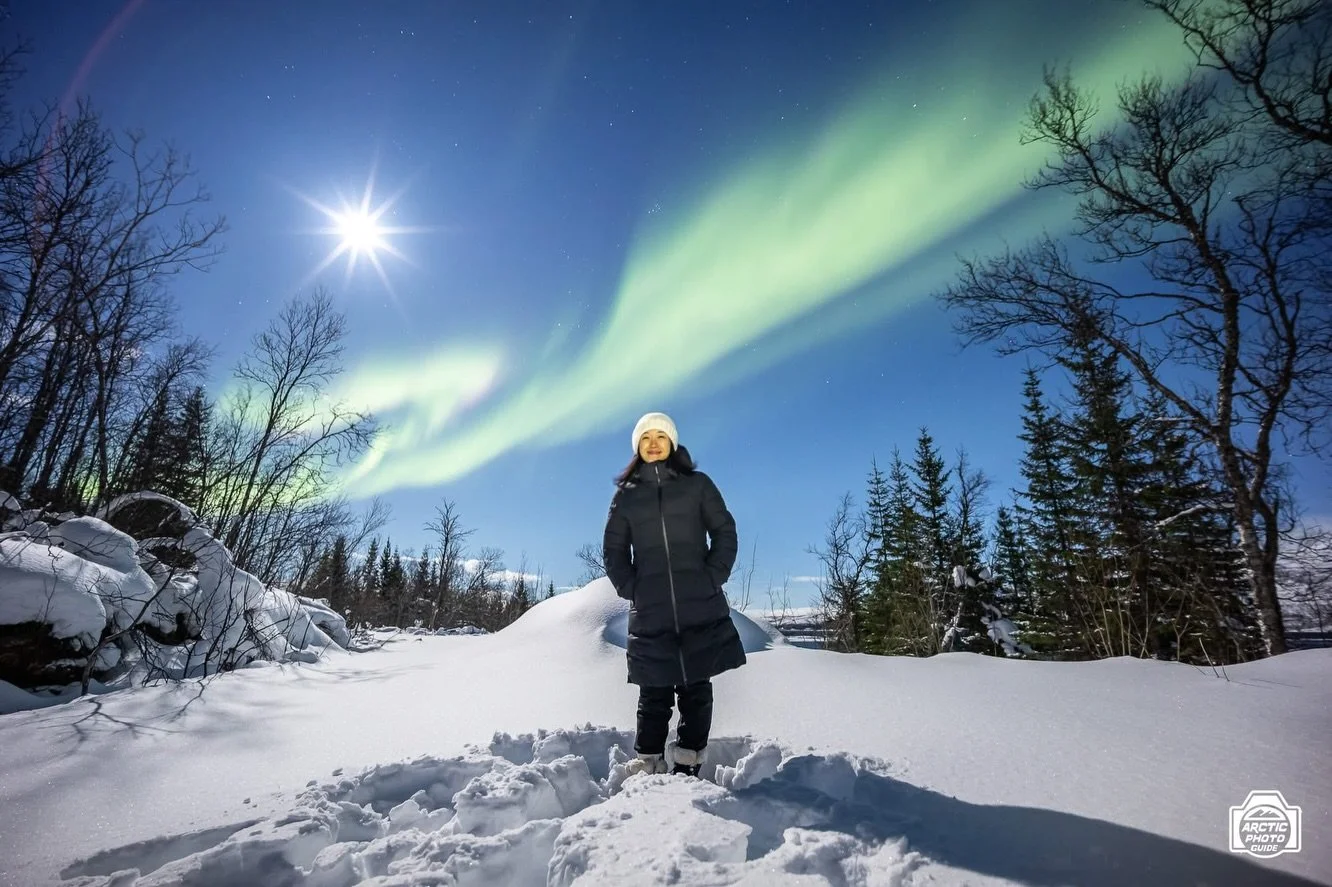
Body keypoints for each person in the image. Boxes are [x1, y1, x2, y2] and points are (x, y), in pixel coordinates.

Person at [602, 411, 747, 778]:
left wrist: (712, 576)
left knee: (696, 687)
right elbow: (614, 551)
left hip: (699, 604)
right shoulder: (626, 497)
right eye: (646, 437)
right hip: (651, 610)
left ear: (672, 444)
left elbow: (724, 531)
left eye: (661, 437)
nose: (654, 443)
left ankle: (688, 760)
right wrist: (631, 588)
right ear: (638, 446)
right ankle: (649, 761)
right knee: (653, 690)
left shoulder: (697, 485)